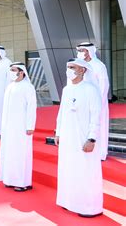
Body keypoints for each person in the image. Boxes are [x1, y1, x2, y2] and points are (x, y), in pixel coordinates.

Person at [55, 58, 103, 218]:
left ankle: (90, 207)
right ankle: (69, 202)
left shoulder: (90, 89)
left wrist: (92, 139)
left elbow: (97, 116)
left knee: (86, 172)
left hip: (83, 139)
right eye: (67, 67)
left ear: (82, 70)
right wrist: (58, 132)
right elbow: (61, 112)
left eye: (72, 67)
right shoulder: (66, 90)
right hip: (68, 139)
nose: (68, 70)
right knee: (68, 170)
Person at [0, 62, 37, 192]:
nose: (11, 72)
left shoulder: (28, 87)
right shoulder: (10, 86)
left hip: (22, 127)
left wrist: (30, 125)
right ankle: (10, 179)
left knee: (21, 154)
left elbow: (31, 108)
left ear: (21, 72)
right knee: (10, 153)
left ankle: (22, 182)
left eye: (14, 70)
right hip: (9, 127)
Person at [76, 42, 110, 161]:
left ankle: (101, 153)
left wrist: (98, 102)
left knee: (99, 126)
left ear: (89, 51)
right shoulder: (79, 65)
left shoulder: (99, 65)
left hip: (98, 102)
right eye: (79, 50)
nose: (80, 53)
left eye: (82, 50)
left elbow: (104, 85)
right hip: (84, 102)